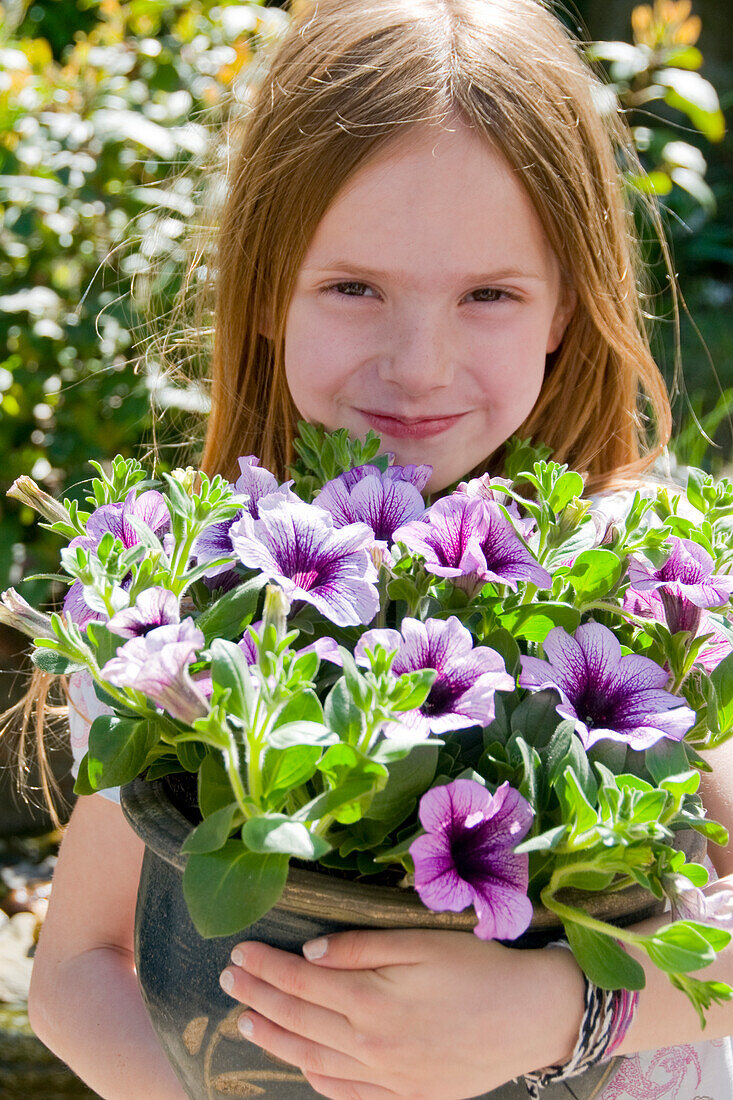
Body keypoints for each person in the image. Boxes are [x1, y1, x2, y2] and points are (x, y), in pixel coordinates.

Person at [23, 0, 733, 1097]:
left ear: (563, 307)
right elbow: (77, 968)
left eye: (489, 294)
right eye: (355, 287)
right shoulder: (185, 599)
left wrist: (562, 1008)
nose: (419, 363)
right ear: (264, 290)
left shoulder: (651, 582)